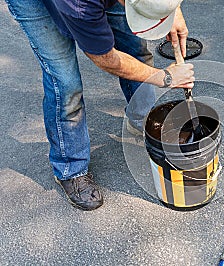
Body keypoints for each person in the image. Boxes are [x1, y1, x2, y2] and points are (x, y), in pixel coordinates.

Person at [5, 0, 194, 211]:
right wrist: (165, 77)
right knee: (65, 83)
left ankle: (145, 121)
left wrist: (171, 11)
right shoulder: (80, 6)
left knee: (135, 49)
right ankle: (70, 168)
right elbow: (105, 58)